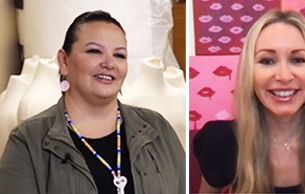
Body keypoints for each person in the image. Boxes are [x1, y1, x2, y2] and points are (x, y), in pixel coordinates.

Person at [0, 10, 186, 194]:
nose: (109, 63)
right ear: (64, 61)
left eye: (119, 55)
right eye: (95, 51)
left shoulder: (157, 129)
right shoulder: (28, 141)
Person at [193, 10, 305, 193]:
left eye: (297, 60)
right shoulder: (221, 144)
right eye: (267, 61)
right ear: (250, 72)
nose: (284, 76)